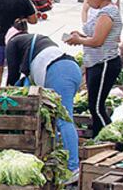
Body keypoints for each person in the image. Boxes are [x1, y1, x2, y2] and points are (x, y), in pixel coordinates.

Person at [6, 28, 81, 181]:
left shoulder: (12, 43)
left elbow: (12, 78)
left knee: (64, 120)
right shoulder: (39, 41)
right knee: (57, 119)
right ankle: (64, 161)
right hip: (71, 69)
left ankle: (73, 168)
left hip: (59, 73)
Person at [65, 0, 123, 138]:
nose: (87, 1)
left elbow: (98, 41)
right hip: (95, 62)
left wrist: (79, 40)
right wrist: (80, 36)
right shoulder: (101, 12)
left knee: (96, 106)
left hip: (104, 63)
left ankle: (109, 138)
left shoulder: (107, 12)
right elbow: (94, 36)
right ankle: (101, 137)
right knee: (94, 105)